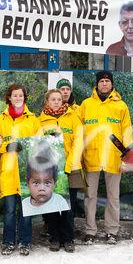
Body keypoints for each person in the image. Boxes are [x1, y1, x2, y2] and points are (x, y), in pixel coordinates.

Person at [80, 71, 133, 245]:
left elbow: (127, 132)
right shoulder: (86, 104)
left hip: (114, 158)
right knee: (90, 197)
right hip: (91, 157)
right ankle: (90, 230)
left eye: (107, 81)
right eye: (101, 81)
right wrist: (78, 155)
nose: (104, 84)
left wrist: (127, 157)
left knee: (113, 197)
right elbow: (79, 130)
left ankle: (112, 231)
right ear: (97, 84)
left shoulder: (121, 106)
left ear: (111, 84)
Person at [0, 84, 41, 256]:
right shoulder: (0, 120)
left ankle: (25, 242)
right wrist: (7, 146)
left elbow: (40, 147)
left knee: (27, 210)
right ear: (9, 98)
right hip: (8, 173)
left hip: (28, 172)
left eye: (21, 95)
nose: (18, 98)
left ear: (24, 98)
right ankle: (8, 242)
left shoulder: (33, 120)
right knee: (10, 211)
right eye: (15, 95)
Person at [39, 89, 84, 252]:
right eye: (53, 99)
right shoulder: (41, 121)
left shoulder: (73, 117)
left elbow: (79, 142)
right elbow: (38, 146)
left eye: (59, 99)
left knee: (68, 206)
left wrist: (69, 164)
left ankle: (68, 238)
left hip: (71, 168)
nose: (57, 102)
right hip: (50, 170)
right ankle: (55, 238)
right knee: (51, 206)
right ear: (47, 102)